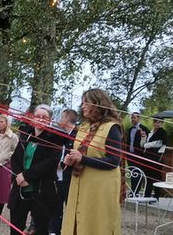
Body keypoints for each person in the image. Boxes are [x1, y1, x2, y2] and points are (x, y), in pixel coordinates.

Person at [61, 88, 123, 235]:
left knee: (96, 225)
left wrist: (82, 158)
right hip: (80, 184)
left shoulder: (111, 127)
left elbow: (114, 161)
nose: (82, 106)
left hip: (100, 188)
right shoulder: (83, 127)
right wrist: (71, 160)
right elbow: (78, 152)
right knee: (77, 223)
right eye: (82, 103)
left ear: (97, 104)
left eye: (86, 102)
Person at [9, 104, 61, 235]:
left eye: (45, 117)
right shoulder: (24, 135)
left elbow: (51, 162)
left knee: (41, 228)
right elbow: (15, 159)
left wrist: (27, 176)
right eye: (38, 116)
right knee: (15, 227)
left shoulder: (54, 139)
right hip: (20, 187)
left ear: (50, 120)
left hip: (42, 190)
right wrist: (19, 176)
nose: (41, 119)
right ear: (32, 118)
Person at [48, 109, 77, 235]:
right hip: (57, 176)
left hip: (72, 177)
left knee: (71, 207)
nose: (59, 121)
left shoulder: (78, 136)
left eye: (61, 118)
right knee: (55, 205)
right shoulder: (60, 134)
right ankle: (54, 231)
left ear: (67, 119)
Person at [141, 118, 168, 198]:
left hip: (156, 158)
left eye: (158, 122)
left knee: (156, 177)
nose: (156, 123)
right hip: (148, 157)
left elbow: (159, 143)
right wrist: (143, 137)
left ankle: (156, 197)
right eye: (155, 122)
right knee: (148, 177)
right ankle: (147, 195)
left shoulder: (163, 132)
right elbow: (142, 144)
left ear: (161, 123)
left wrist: (147, 144)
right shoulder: (150, 132)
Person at [125, 111, 148, 195]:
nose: (132, 119)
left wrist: (143, 136)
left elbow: (145, 143)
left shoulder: (144, 129)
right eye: (132, 117)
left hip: (139, 155)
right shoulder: (130, 129)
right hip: (130, 154)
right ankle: (132, 191)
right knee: (132, 173)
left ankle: (136, 191)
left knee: (138, 173)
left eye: (134, 117)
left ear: (139, 118)